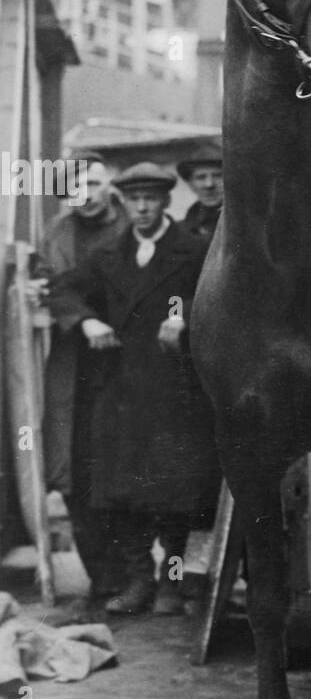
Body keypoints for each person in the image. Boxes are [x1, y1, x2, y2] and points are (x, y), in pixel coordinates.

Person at [49, 163, 218, 616]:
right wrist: (87, 320)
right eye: (134, 199)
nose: (142, 207)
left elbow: (220, 298)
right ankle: (140, 581)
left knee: (176, 497)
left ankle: (172, 582)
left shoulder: (195, 250)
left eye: (151, 198)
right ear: (125, 202)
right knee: (123, 494)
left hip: (175, 388)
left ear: (166, 202)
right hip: (120, 388)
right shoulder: (107, 255)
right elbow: (63, 291)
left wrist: (187, 318)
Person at [30, 153, 130, 600]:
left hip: (129, 357)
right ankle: (103, 579)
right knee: (72, 466)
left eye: (92, 183)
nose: (84, 195)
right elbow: (47, 282)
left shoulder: (135, 222)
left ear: (108, 184)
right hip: (74, 360)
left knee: (128, 462)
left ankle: (148, 577)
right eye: (73, 187)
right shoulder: (56, 233)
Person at [177, 142, 223, 246]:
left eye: (217, 176)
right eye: (201, 177)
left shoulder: (247, 224)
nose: (209, 184)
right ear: (191, 185)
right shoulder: (179, 232)